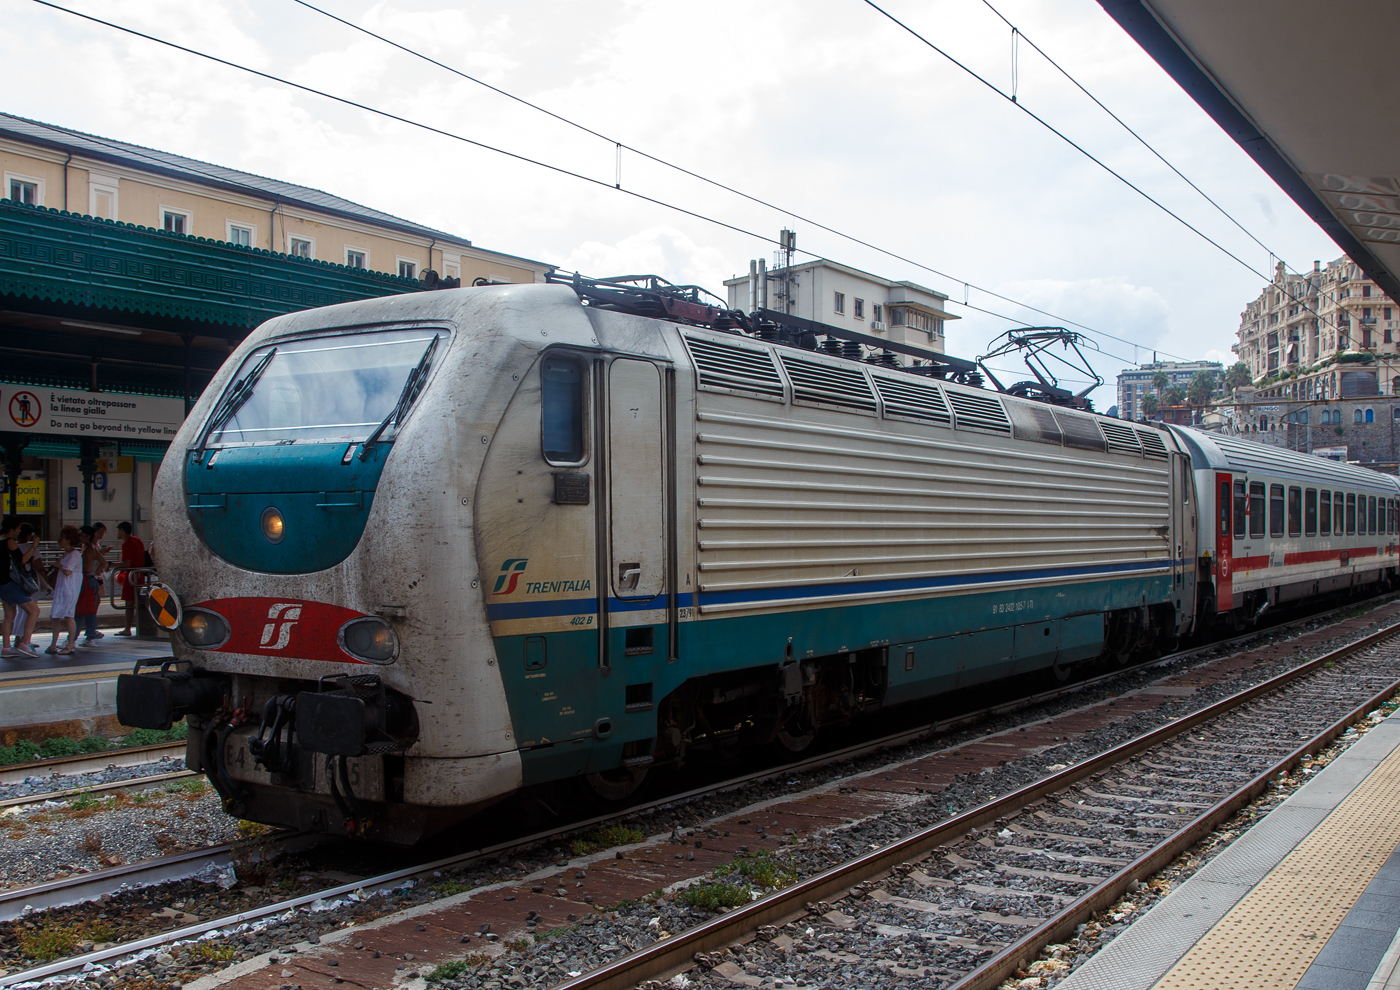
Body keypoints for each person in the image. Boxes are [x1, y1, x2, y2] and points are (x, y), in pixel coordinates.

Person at [0, 516, 39, 658]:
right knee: (34, 611)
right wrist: (34, 546)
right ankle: (25, 643)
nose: (18, 532)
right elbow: (22, 559)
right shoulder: (10, 542)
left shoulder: (0, 540)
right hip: (11, 584)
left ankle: (6, 648)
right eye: (17, 529)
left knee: (9, 615)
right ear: (11, 530)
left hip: (2, 584)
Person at [44, 526, 81, 655]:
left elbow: (67, 571)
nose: (60, 540)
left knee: (68, 615)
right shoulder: (67, 554)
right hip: (63, 588)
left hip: (69, 588)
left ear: (68, 539)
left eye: (63, 538)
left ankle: (70, 645)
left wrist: (58, 565)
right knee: (56, 615)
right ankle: (54, 644)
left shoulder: (74, 554)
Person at [76, 525, 106, 646]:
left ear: (87, 536)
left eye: (81, 535)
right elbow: (103, 562)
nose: (79, 537)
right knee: (90, 610)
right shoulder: (94, 548)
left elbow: (88, 568)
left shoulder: (87, 550)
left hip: (86, 581)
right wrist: (96, 571)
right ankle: (90, 636)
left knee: (80, 610)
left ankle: (73, 638)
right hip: (92, 580)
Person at [115, 521, 146, 636]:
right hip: (140, 575)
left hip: (130, 576)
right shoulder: (137, 540)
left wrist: (110, 564)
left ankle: (127, 628)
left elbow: (126, 563)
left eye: (118, 530)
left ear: (122, 530)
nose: (117, 533)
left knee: (129, 604)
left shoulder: (126, 544)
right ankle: (134, 627)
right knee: (134, 602)